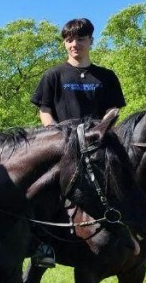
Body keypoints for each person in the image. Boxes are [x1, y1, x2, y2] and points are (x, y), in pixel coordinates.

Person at [29, 17, 131, 266]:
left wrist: (101, 130)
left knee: (127, 183)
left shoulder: (106, 76)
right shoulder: (53, 75)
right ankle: (42, 245)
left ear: (91, 41)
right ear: (65, 44)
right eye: (69, 39)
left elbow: (113, 111)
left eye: (81, 39)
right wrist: (55, 135)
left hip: (98, 146)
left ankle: (136, 239)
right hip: (64, 147)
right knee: (45, 191)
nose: (75, 44)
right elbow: (44, 109)